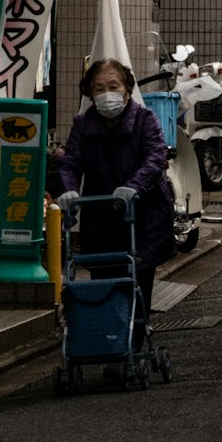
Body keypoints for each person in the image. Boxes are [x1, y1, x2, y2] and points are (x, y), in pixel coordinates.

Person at [56, 58, 175, 346]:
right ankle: (107, 340)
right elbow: (70, 163)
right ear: (90, 94)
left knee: (137, 279)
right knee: (103, 282)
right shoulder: (83, 125)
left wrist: (134, 186)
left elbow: (156, 157)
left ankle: (131, 345)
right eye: (99, 87)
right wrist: (69, 190)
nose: (106, 93)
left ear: (126, 90)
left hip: (144, 218)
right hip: (101, 218)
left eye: (113, 86)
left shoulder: (145, 120)